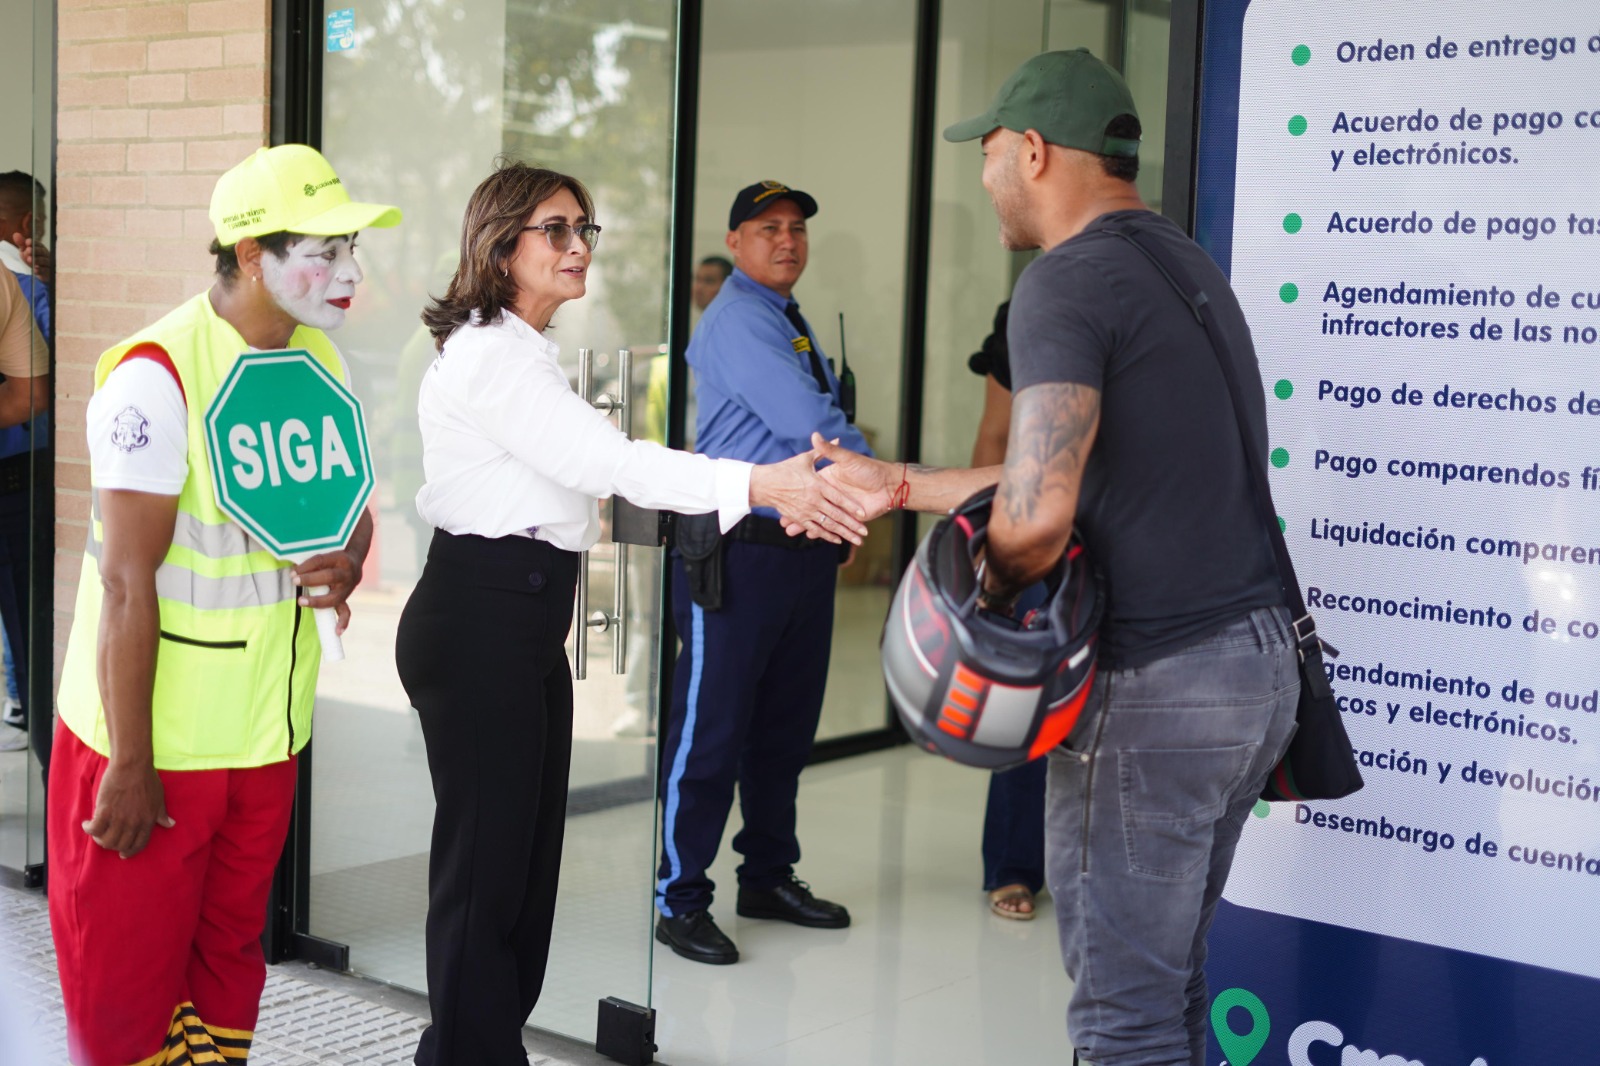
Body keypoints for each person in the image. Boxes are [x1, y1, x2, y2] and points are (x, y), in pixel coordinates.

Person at [807, 49, 1299, 1066]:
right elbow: (1078, 473)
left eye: (986, 154)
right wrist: (899, 482)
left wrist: (979, 605)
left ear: (1031, 151)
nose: (983, 176)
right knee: (1170, 990)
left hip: (1159, 687)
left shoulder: (1062, 281)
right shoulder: (1183, 266)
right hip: (1254, 671)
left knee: (1121, 1020)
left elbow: (1034, 517)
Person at [395, 161, 868, 1063]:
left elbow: (590, 486)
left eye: (585, 231)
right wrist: (758, 484)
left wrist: (730, 502)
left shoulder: (525, 350)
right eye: (556, 231)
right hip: (480, 620)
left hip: (527, 615)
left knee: (525, 878)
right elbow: (608, 461)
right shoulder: (493, 354)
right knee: (484, 880)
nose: (579, 248)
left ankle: (482, 1048)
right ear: (501, 248)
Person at [49, 144, 398, 1065]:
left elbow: (348, 508)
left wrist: (351, 556)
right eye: (323, 250)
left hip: (263, 739)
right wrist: (130, 762)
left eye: (350, 245)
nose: (350, 272)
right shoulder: (156, 377)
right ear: (251, 255)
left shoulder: (320, 357)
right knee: (125, 996)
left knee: (225, 977)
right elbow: (127, 580)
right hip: (152, 752)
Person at [652, 180, 870, 967]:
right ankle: (679, 899)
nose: (787, 240)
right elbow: (812, 426)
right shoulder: (741, 318)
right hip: (738, 554)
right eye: (768, 228)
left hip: (799, 554)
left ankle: (767, 877)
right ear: (736, 242)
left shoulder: (784, 316)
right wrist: (876, 479)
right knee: (710, 735)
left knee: (782, 734)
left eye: (797, 229)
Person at [963, 299, 1048, 922]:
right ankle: (1014, 865)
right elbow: (995, 437)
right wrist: (980, 543)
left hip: (1130, 538)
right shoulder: (1026, 314)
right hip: (1041, 539)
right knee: (1029, 705)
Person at [0, 170, 50, 747]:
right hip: (19, 488)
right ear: (28, 226)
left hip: (21, 487)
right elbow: (35, 395)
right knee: (32, 638)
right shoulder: (30, 294)